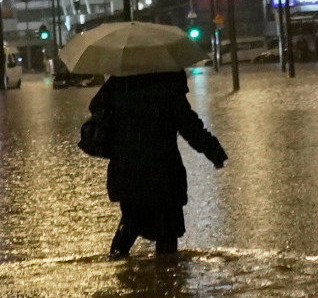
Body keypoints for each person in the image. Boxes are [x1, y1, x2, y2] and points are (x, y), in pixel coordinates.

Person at [88, 70, 227, 259]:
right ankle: (167, 279)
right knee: (167, 232)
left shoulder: (119, 82)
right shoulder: (168, 82)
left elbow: (97, 109)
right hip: (163, 172)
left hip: (127, 170)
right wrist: (213, 151)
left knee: (131, 222)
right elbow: (188, 124)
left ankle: (117, 266)